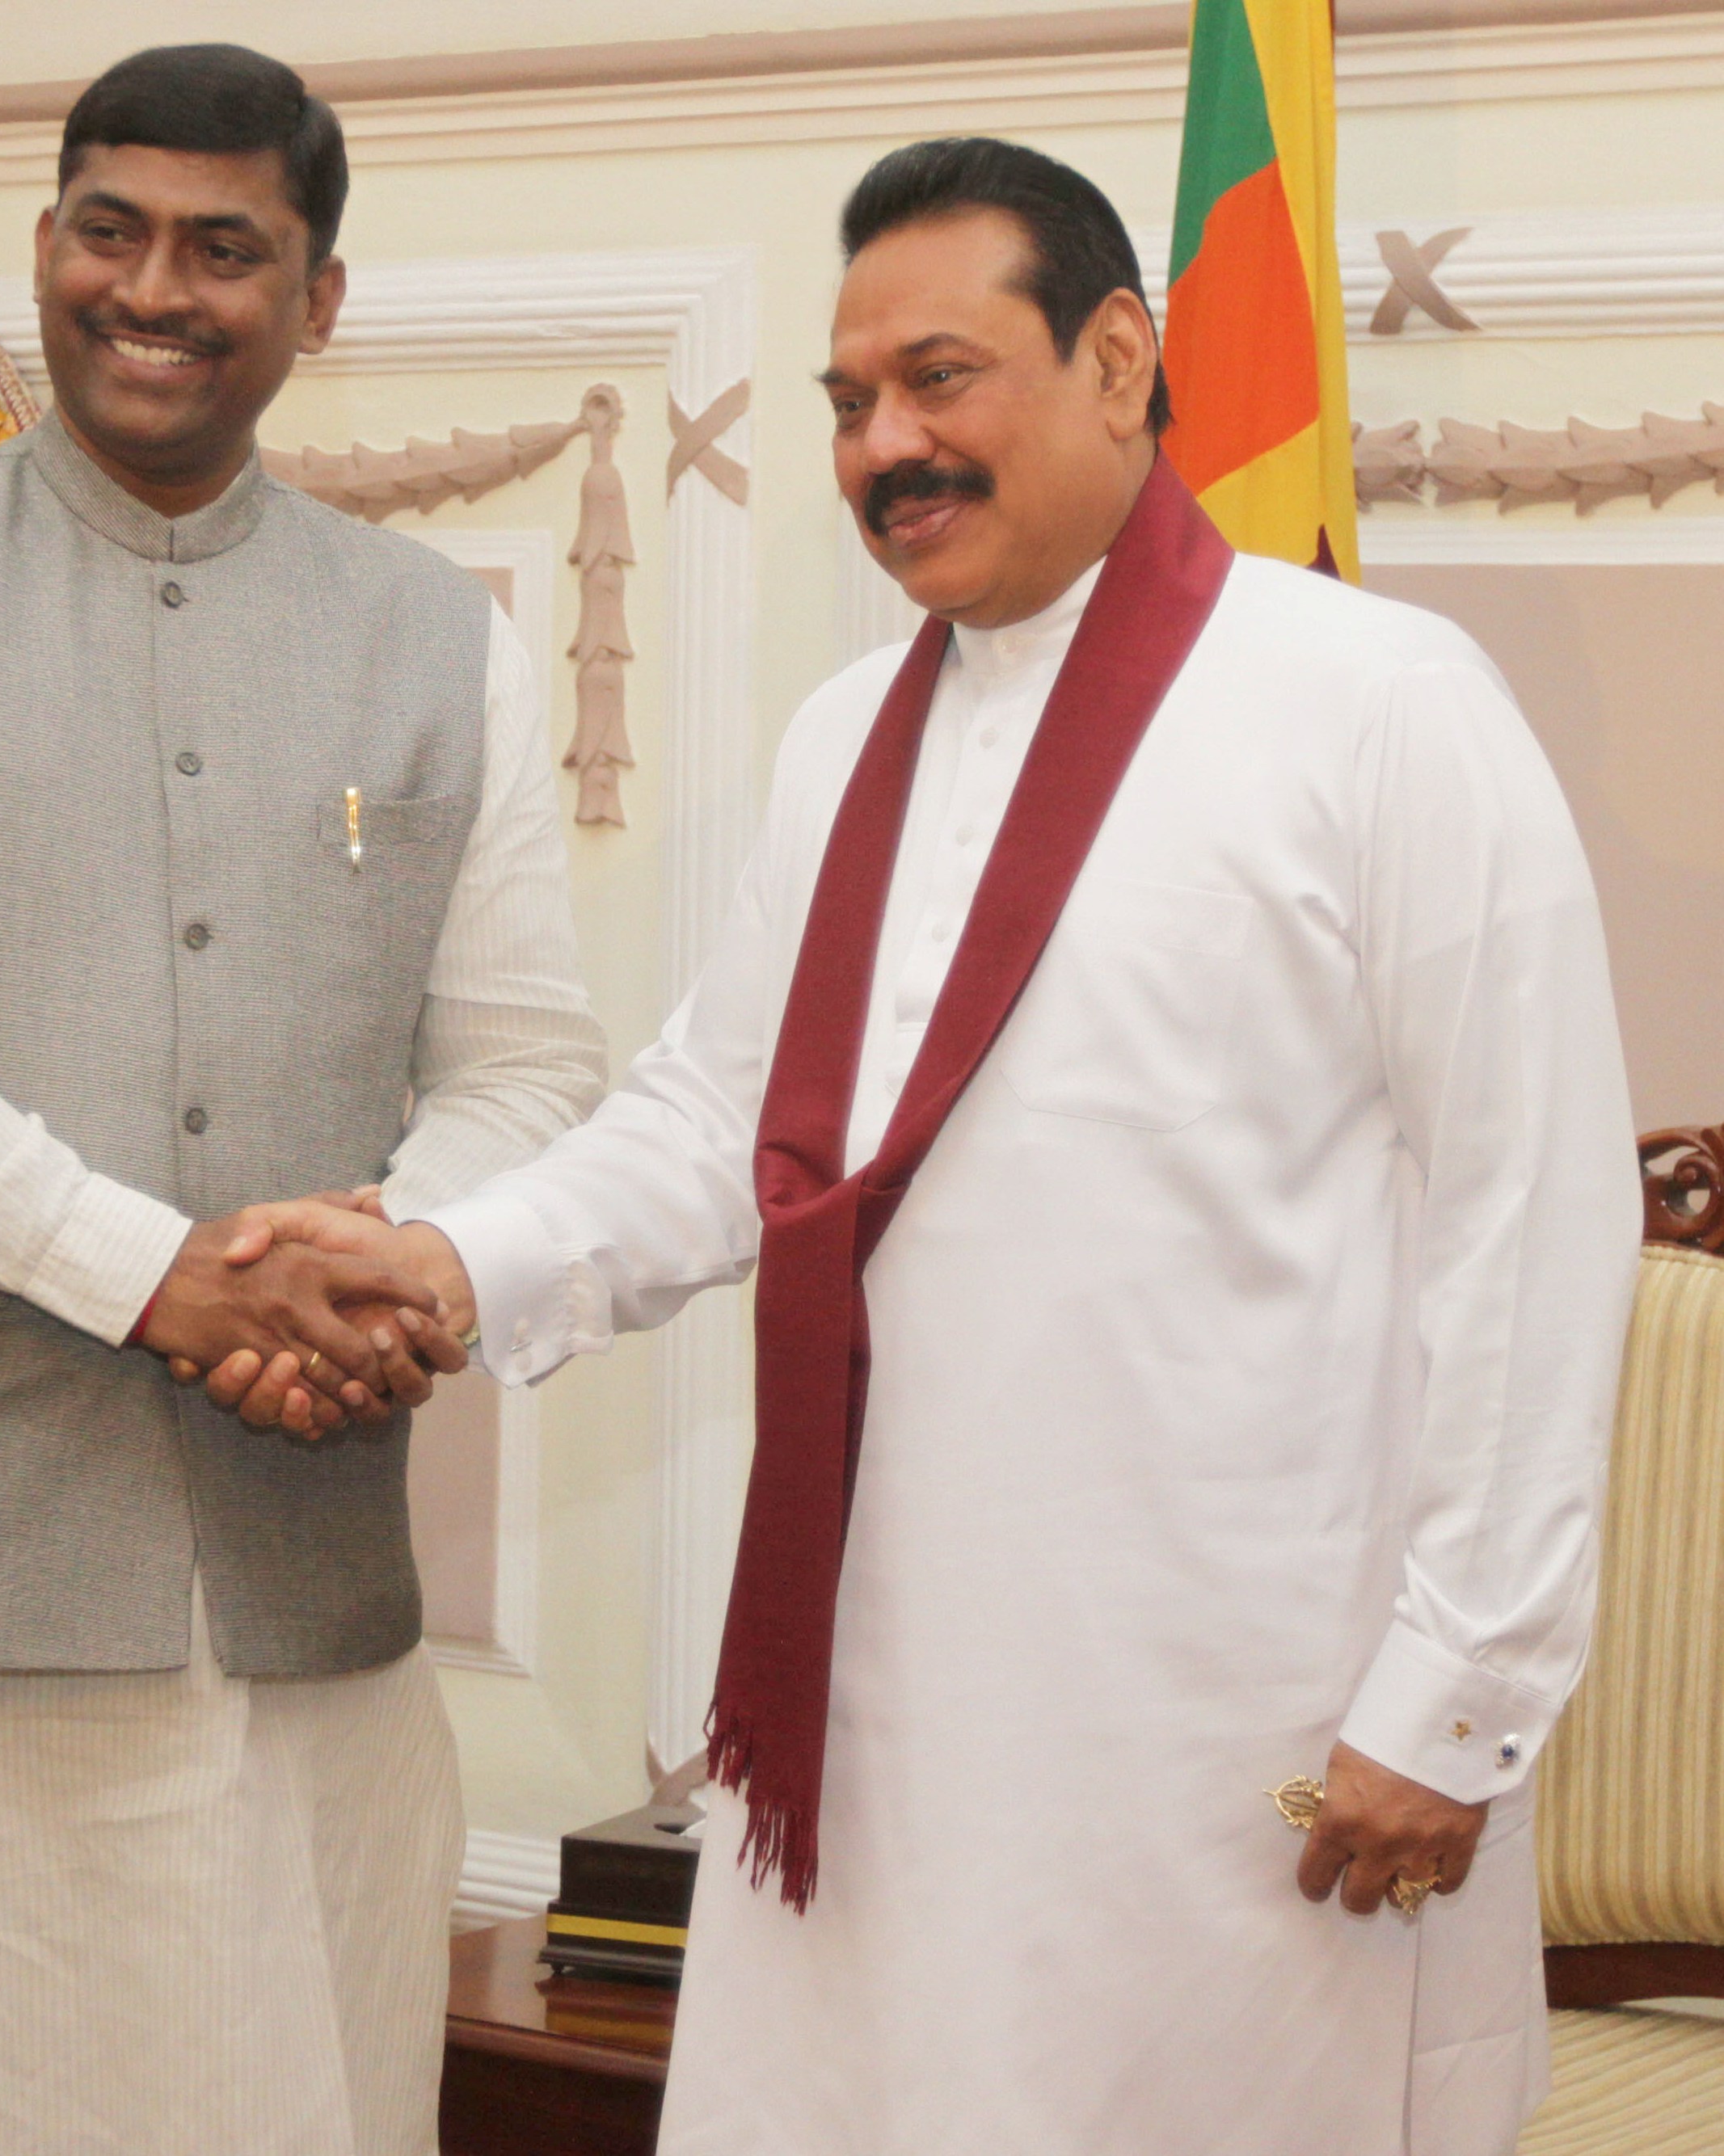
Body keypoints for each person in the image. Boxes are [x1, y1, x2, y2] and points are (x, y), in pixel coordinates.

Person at [204, 140, 1641, 2154]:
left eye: (940, 378)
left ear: (1120, 359)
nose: (885, 444)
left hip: (1240, 1718)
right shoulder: (843, 730)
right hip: (868, 1697)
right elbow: (726, 1124)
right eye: (847, 402)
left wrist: (1458, 1689)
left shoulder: (1378, 704)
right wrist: (444, 1258)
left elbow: (1535, 1215)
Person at [0, 43, 604, 2156]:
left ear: (315, 301)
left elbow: (524, 1059)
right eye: (106, 229)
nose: (149, 287)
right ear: (47, 244)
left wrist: (393, 1256)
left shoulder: (434, 637)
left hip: (286, 1627)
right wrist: (154, 1274)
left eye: (221, 247)